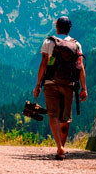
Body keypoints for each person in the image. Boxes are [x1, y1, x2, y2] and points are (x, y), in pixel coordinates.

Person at [33, 16, 87, 160]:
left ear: (57, 27)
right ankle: (61, 147)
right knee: (65, 118)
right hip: (69, 85)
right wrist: (84, 88)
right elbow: (80, 66)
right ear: (69, 28)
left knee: (53, 115)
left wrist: (38, 84)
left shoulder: (49, 42)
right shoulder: (77, 45)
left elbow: (44, 63)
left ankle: (59, 147)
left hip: (51, 83)